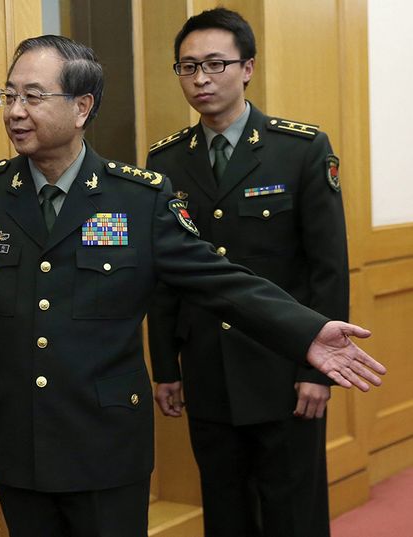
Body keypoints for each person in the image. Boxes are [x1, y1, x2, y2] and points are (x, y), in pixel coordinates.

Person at [0, 34, 384, 537]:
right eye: (8, 95)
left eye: (33, 97)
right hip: (17, 439)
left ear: (82, 108)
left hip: (106, 444)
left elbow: (219, 279)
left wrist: (306, 331)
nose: (15, 111)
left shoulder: (138, 199)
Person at [145, 8, 344, 537]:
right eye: (188, 67)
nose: (202, 79)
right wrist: (166, 365)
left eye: (215, 64)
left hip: (284, 369)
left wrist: (316, 373)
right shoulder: (163, 163)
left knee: (292, 512)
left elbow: (327, 269)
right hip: (208, 366)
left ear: (248, 67)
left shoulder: (299, 149)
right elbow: (165, 276)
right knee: (225, 509)